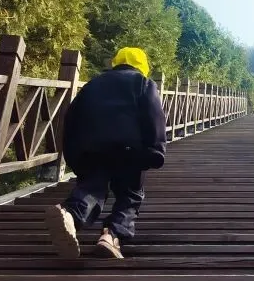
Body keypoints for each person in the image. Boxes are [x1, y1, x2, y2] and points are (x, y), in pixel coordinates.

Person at [45, 47, 166, 260]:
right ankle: (112, 236)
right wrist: (156, 149)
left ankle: (70, 215)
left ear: (115, 62)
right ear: (143, 66)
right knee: (130, 195)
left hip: (91, 149)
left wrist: (73, 152)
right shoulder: (143, 83)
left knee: (92, 187)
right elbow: (154, 115)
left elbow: (71, 117)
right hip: (129, 151)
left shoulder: (93, 84)